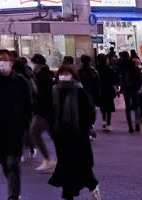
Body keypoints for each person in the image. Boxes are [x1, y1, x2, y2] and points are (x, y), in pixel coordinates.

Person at [47, 65, 101, 200]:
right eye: (62, 73)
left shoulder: (79, 91)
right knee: (66, 167)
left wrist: (86, 127)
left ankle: (93, 185)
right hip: (61, 136)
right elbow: (50, 112)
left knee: (82, 165)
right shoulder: (54, 91)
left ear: (73, 75)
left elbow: (89, 112)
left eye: (67, 73)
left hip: (78, 136)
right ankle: (69, 194)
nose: (64, 76)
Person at [0, 49, 33, 200]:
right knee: (4, 162)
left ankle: (13, 195)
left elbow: (28, 103)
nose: (3, 62)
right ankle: (14, 187)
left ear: (11, 62)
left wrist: (26, 123)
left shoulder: (20, 81)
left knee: (13, 162)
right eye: (0, 59)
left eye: (5, 59)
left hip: (15, 127)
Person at [29, 54, 56, 170]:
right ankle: (52, 160)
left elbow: (40, 94)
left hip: (43, 111)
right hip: (46, 111)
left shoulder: (41, 76)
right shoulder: (46, 74)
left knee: (34, 132)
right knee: (54, 135)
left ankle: (48, 159)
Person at [118, 53, 142, 134]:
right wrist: (137, 87)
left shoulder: (121, 66)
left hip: (126, 89)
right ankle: (137, 124)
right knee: (136, 106)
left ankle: (130, 126)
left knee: (128, 108)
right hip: (134, 89)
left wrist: (121, 88)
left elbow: (120, 78)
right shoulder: (133, 65)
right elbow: (139, 77)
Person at [94, 54, 117, 132]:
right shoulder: (109, 69)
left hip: (100, 90)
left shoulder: (96, 69)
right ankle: (108, 124)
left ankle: (104, 120)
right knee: (109, 108)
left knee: (102, 106)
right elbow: (114, 80)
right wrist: (116, 90)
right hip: (109, 90)